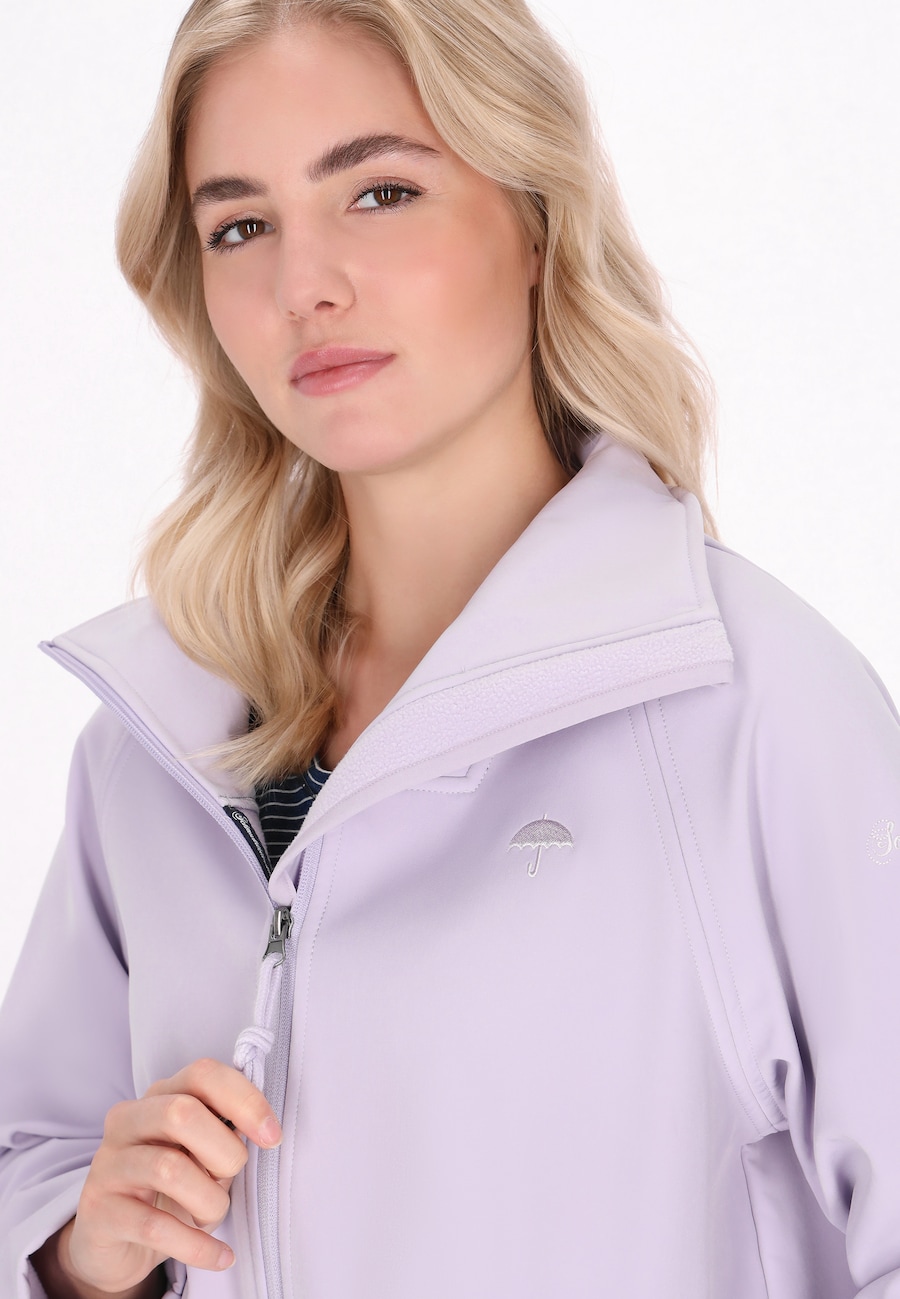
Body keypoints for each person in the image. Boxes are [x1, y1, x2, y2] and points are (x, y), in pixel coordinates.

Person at [1, 0, 899, 1295]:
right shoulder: (159, 749)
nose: (305, 286)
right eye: (240, 226)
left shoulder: (753, 705)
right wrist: (87, 1257)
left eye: (379, 193)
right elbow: (31, 1162)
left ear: (534, 219)